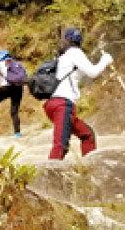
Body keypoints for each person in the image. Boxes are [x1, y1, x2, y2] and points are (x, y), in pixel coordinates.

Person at [44, 28, 110, 160]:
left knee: (87, 134)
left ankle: (89, 166)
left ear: (66, 40)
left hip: (52, 104)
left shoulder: (62, 57)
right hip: (63, 104)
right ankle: (50, 172)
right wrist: (106, 60)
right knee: (60, 145)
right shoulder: (75, 52)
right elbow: (93, 72)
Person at [0, 50, 25, 139]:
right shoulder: (16, 63)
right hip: (18, 88)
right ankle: (17, 133)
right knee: (14, 110)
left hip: (6, 88)